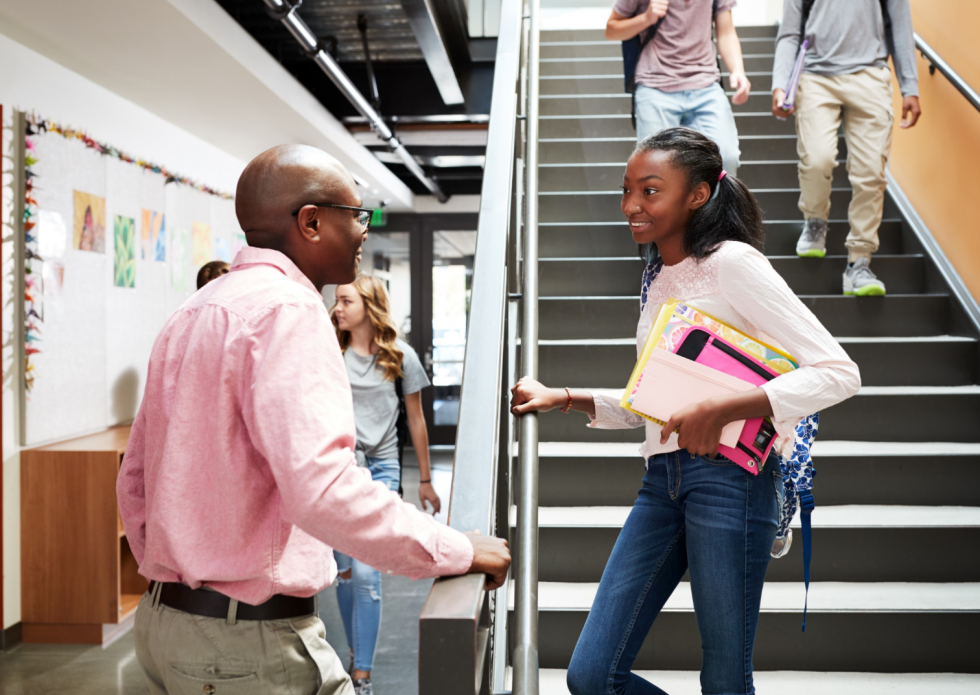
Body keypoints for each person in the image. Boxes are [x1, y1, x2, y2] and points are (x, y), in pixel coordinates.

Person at [117, 144, 510, 695]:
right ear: (311, 222)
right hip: (244, 647)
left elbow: (134, 480)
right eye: (357, 215)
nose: (364, 231)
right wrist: (455, 550)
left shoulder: (194, 310)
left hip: (164, 630)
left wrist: (183, 576)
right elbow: (322, 487)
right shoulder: (290, 312)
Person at [510, 128, 860, 695]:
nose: (631, 206)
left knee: (725, 679)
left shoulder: (734, 264)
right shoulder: (654, 278)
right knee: (593, 676)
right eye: (627, 191)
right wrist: (567, 398)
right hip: (662, 480)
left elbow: (840, 373)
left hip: (734, 483)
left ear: (697, 195)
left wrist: (728, 408)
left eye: (650, 191)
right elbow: (661, 403)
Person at [329, 274, 441, 694]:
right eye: (337, 302)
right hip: (338, 471)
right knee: (343, 573)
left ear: (369, 306)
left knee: (365, 574)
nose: (338, 308)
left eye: (346, 301)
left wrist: (425, 481)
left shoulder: (400, 357)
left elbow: (416, 420)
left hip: (381, 471)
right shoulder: (330, 353)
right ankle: (356, 657)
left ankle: (362, 676)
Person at [772, 0, 921, 296]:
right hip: (815, 76)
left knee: (870, 174)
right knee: (817, 159)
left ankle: (859, 263)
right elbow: (790, 32)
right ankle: (815, 221)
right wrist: (780, 82)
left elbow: (900, 26)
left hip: (870, 75)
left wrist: (909, 85)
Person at [605, 0, 751, 175]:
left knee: (726, 159)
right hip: (654, 86)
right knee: (655, 169)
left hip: (705, 84)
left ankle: (712, 204)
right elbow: (612, 29)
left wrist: (737, 70)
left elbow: (726, 31)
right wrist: (647, 17)